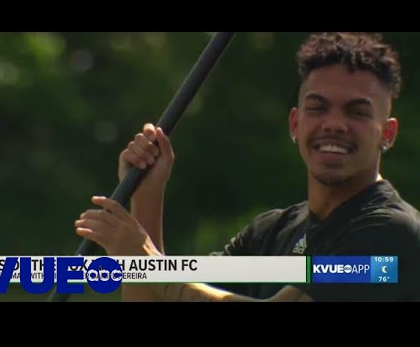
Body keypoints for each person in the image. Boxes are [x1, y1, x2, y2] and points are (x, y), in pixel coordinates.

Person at [74, 32, 420, 302]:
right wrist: (147, 200)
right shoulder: (269, 232)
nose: (334, 124)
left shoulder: (392, 234)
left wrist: (145, 260)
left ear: (387, 133)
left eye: (356, 112)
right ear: (295, 124)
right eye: (318, 108)